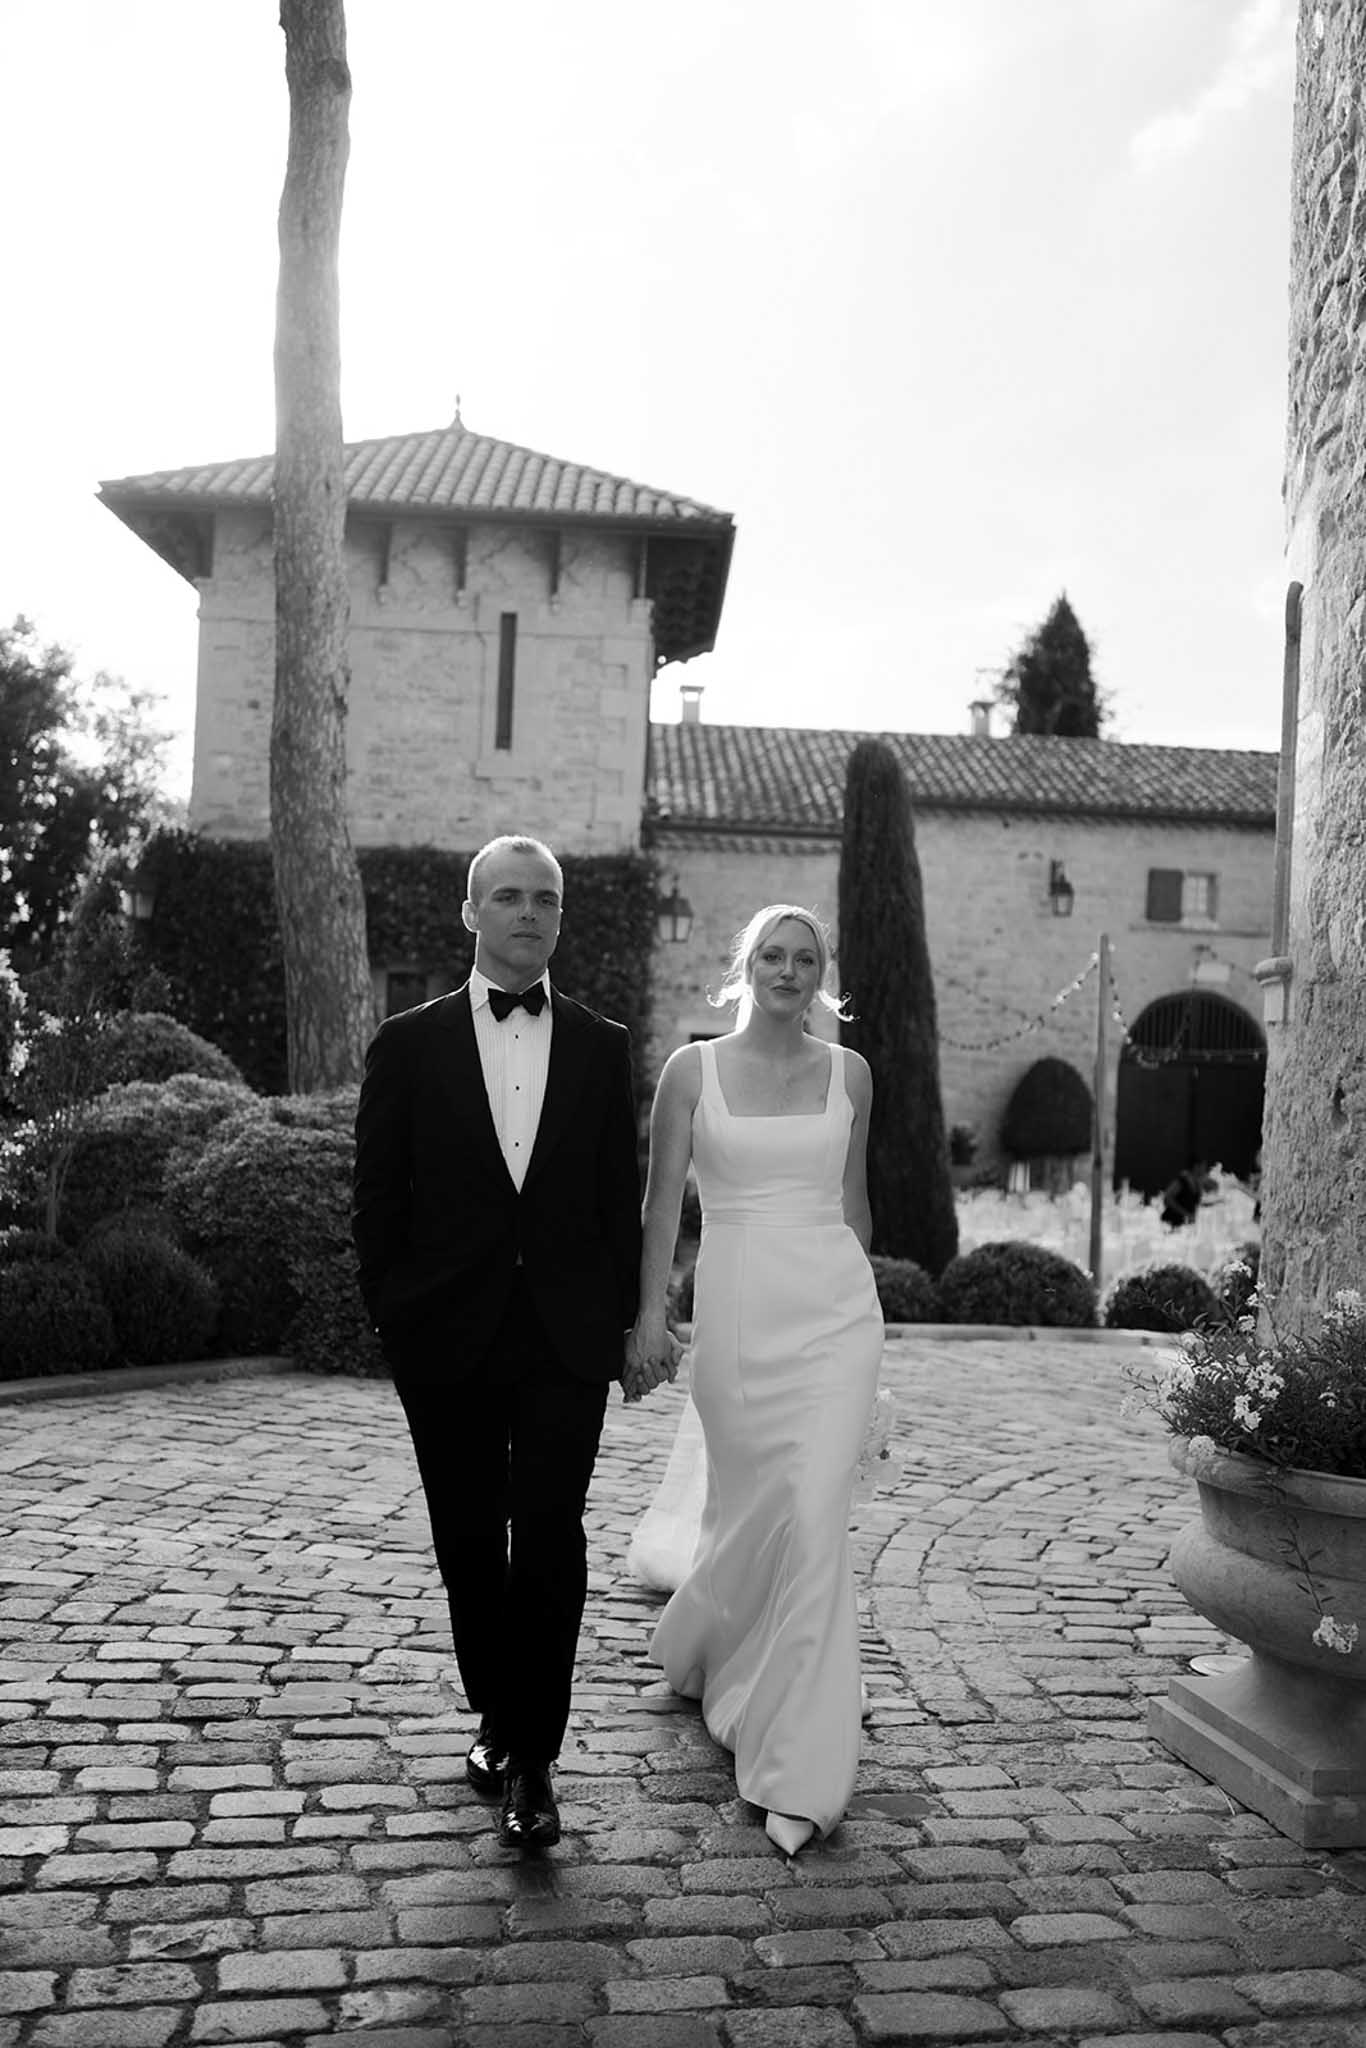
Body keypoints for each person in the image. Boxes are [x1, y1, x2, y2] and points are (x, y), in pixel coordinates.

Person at [352, 833, 666, 1853]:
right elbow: (375, 1202)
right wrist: (396, 1312)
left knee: (551, 1534)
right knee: (465, 1536)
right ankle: (495, 1703)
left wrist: (625, 1318)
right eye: (510, 896)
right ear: (472, 911)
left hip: (564, 1334)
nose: (529, 913)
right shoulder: (407, 1043)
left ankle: (533, 1753)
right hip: (445, 1331)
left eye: (546, 898)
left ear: (560, 917)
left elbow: (618, 1199)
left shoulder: (599, 1040)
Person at [626, 905, 883, 1857]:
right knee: (751, 1516)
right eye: (772, 955)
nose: (788, 970)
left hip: (834, 1316)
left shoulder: (851, 1073)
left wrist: (866, 1348)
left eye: (805, 958)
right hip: (736, 1312)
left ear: (821, 975)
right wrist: (651, 1316)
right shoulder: (689, 1073)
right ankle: (707, 1646)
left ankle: (799, 1768)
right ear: (745, 968)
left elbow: (856, 1214)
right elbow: (662, 1212)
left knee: (815, 1523)